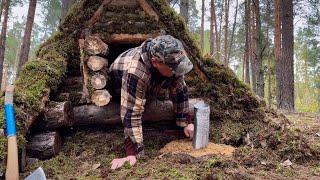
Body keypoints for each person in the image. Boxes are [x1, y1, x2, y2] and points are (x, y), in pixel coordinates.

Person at [108, 35, 194, 170]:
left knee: (169, 79)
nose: (177, 72)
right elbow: (131, 112)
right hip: (119, 90)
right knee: (137, 104)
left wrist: (186, 123)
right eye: (173, 68)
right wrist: (133, 152)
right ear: (155, 62)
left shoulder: (170, 63)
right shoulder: (135, 71)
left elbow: (180, 89)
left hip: (149, 81)